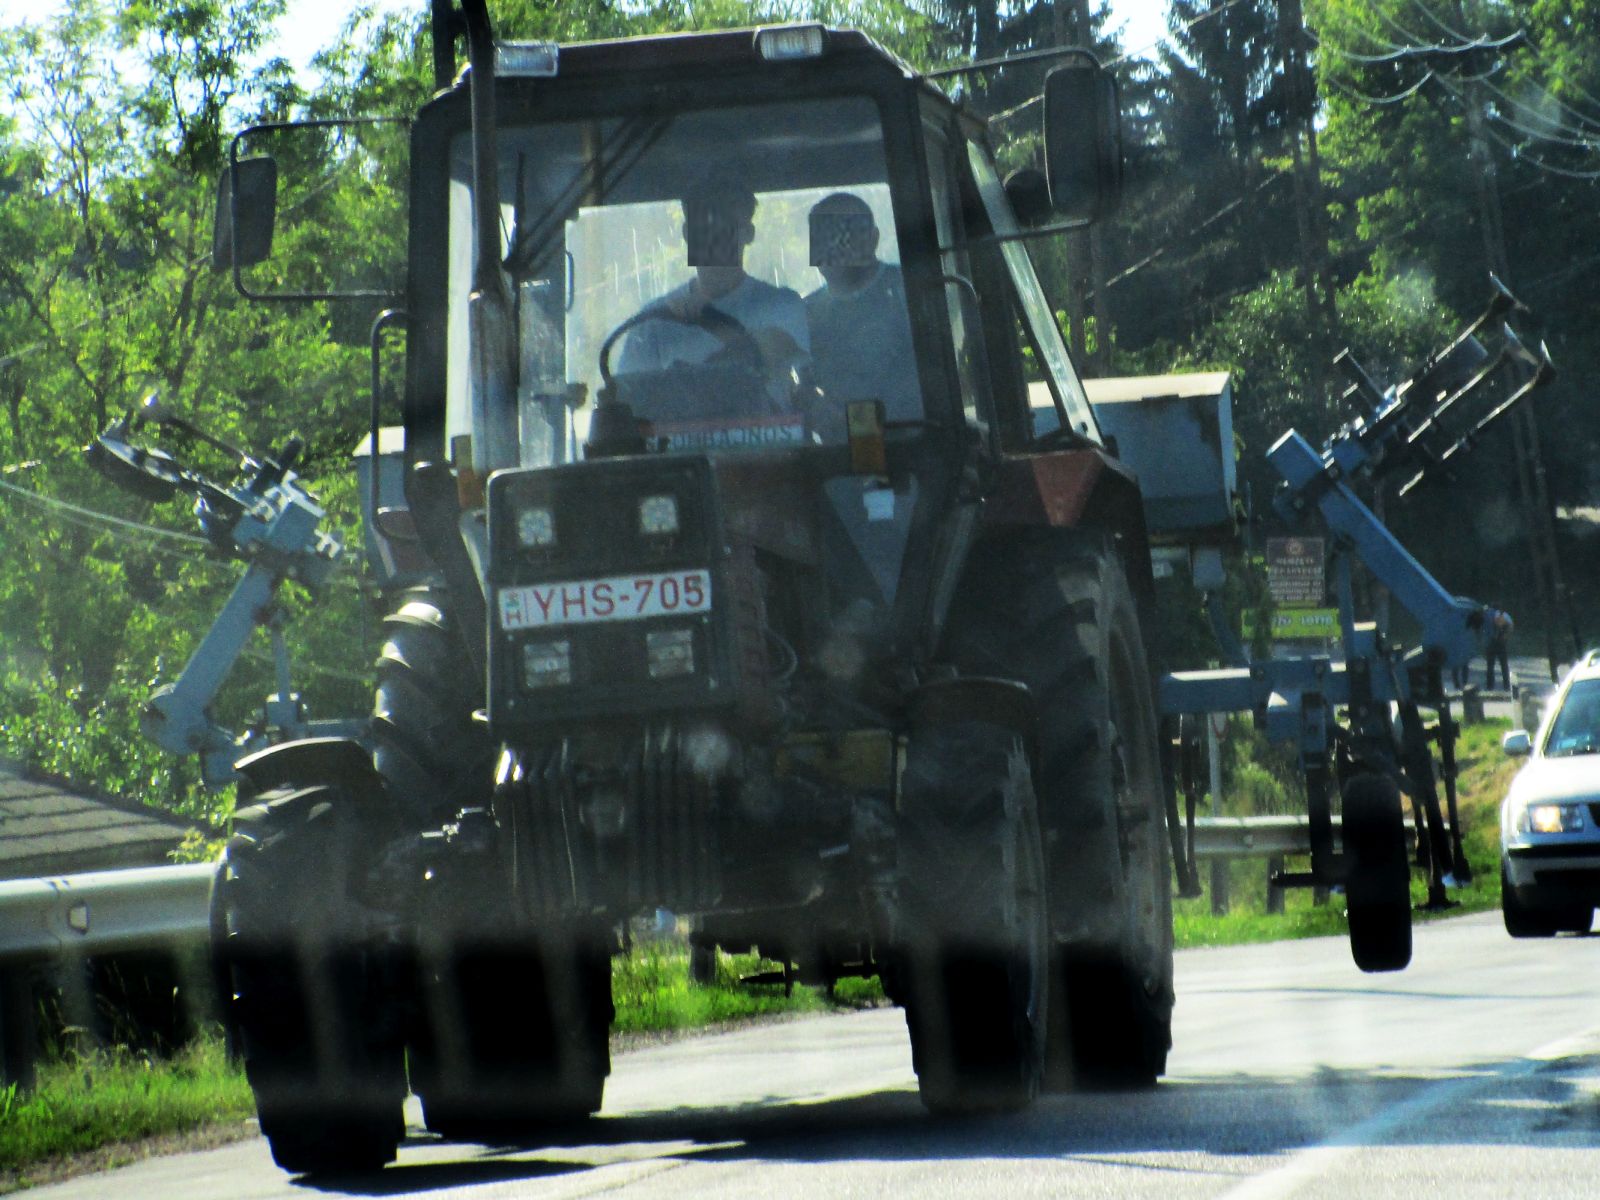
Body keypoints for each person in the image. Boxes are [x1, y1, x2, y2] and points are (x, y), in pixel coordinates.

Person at [617, 176, 808, 411]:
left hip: (772, 449)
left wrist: (708, 320)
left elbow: (780, 368)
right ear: (687, 234)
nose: (715, 236)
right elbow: (627, 404)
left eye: (725, 225)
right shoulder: (652, 323)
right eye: (704, 226)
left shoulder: (782, 307)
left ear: (748, 233)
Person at [803, 192, 921, 423]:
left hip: (917, 441)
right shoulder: (806, 313)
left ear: (873, 238)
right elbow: (799, 387)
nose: (833, 245)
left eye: (843, 233)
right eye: (822, 236)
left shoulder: (911, 292)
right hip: (837, 450)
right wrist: (813, 404)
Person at [1484, 605, 1514, 691]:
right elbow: (1510, 626)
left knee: (1490, 665)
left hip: (1491, 643)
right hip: (1501, 643)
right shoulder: (1504, 615)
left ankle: (1490, 686)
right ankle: (1506, 685)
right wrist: (1505, 637)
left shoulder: (1488, 615)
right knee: (1504, 665)